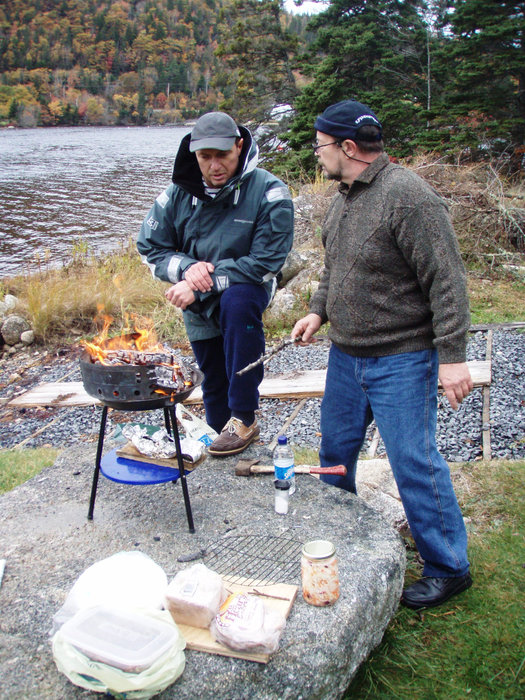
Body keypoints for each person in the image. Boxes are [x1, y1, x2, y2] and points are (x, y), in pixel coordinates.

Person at [292, 99, 474, 610]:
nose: (317, 153)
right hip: (346, 358)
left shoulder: (409, 198)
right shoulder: (343, 198)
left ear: (348, 147)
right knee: (334, 453)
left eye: (321, 145)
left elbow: (448, 281)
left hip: (403, 358)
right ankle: (341, 534)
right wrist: (317, 311)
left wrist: (453, 355)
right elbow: (337, 266)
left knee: (413, 460)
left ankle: (448, 566)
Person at [137, 112, 294, 456]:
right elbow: (149, 246)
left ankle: (244, 417)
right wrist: (185, 268)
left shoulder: (270, 191)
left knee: (236, 305)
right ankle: (222, 437)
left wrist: (201, 282)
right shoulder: (178, 194)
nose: (214, 166)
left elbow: (266, 261)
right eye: (205, 157)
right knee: (213, 377)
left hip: (247, 288)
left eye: (222, 155)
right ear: (194, 154)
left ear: (239, 146)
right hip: (197, 301)